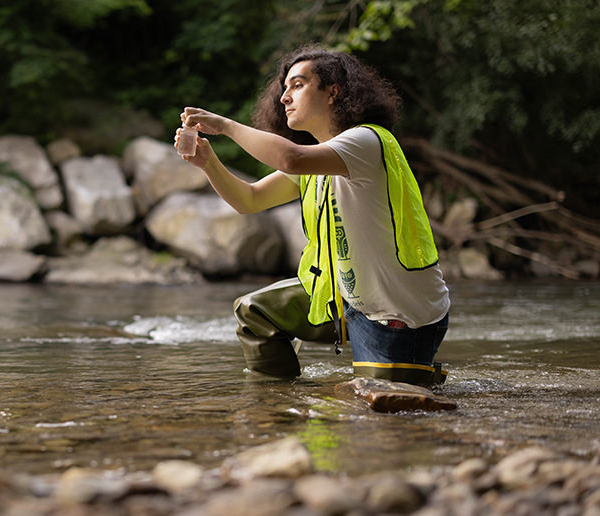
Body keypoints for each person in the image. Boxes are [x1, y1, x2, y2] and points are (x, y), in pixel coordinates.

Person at [176, 45, 450, 385]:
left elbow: (292, 159)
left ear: (332, 91)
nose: (284, 98)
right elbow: (249, 199)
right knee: (255, 311)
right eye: (285, 89)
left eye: (297, 85)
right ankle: (280, 407)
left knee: (381, 416)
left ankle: (419, 372)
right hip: (342, 300)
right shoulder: (315, 161)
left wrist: (227, 127)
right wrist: (209, 164)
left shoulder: (365, 141)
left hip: (399, 315)